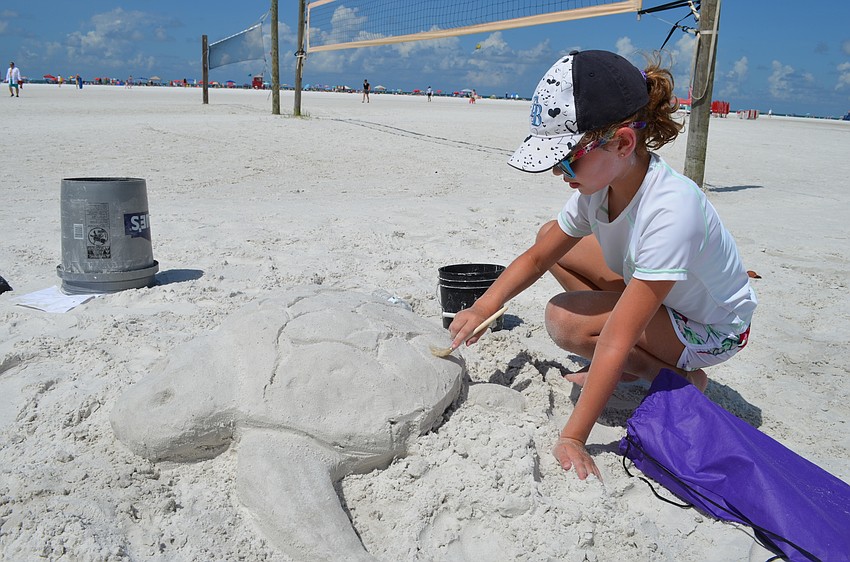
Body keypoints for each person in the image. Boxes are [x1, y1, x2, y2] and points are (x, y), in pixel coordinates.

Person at [449, 50, 757, 481]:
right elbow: (540, 256)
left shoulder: (672, 210)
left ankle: (669, 375)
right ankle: (645, 361)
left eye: (566, 158)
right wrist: (483, 308)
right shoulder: (601, 184)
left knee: (564, 319)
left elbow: (617, 337)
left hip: (712, 328)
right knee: (549, 237)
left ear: (623, 142)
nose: (559, 172)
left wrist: (574, 436)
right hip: (663, 299)